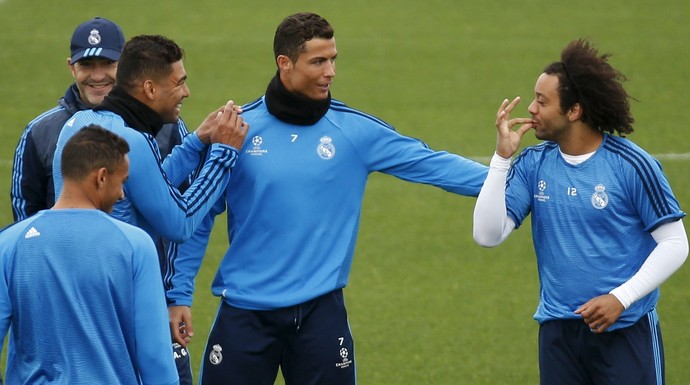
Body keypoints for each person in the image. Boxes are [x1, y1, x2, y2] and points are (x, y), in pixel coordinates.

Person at [166, 12, 488, 385]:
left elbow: (433, 165)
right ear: (284, 63)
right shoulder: (237, 130)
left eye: (333, 59)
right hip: (244, 315)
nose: (330, 71)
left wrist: (512, 182)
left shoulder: (353, 131)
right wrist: (179, 295)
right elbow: (198, 218)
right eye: (318, 61)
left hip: (320, 316)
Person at [473, 39, 688, 385]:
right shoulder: (533, 163)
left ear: (574, 111)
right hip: (558, 333)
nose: (531, 108)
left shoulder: (632, 165)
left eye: (542, 101)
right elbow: (486, 235)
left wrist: (621, 298)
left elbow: (676, 243)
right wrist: (501, 159)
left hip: (625, 329)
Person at [51, 34, 248, 384]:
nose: (186, 92)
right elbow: (180, 220)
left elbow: (139, 187)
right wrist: (223, 154)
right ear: (150, 89)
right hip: (125, 309)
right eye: (180, 82)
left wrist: (194, 142)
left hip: (70, 305)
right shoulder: (133, 140)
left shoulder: (77, 128)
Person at [0, 125, 179, 385]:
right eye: (123, 181)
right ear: (102, 177)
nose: (121, 194)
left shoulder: (9, 243)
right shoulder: (136, 244)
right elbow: (155, 358)